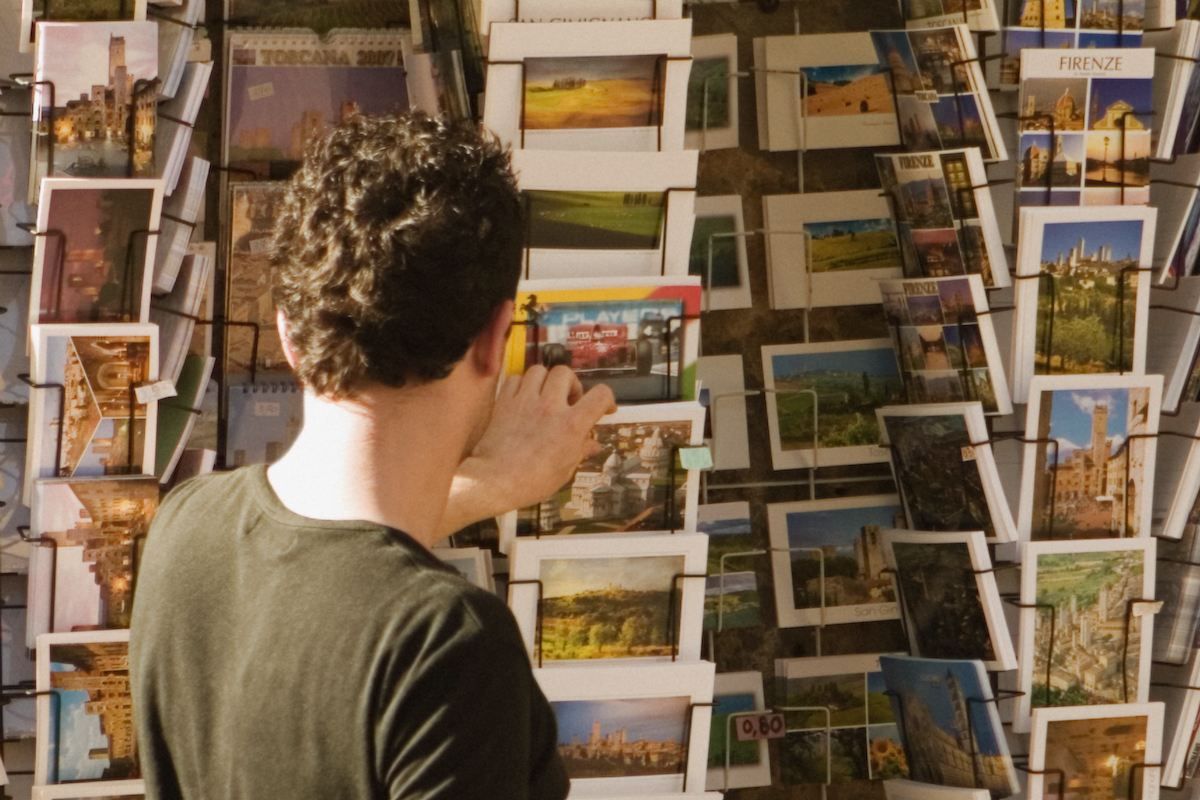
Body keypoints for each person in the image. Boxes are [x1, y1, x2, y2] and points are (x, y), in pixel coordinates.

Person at [129, 112, 616, 799]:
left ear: (289, 338)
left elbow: (328, 576)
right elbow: (358, 592)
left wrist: (488, 484)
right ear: (495, 338)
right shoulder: (448, 647)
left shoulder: (185, 530)